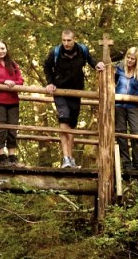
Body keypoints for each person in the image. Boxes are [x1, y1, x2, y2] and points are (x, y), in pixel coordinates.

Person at [42, 29, 103, 168]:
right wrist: (50, 82)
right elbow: (47, 66)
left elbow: (90, 60)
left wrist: (97, 65)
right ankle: (66, 158)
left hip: (76, 91)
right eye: (64, 40)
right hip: (60, 90)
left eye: (69, 40)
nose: (66, 43)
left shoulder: (82, 50)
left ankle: (71, 158)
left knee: (72, 124)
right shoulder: (55, 52)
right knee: (64, 120)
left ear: (74, 39)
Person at [112, 47, 138, 171]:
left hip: (133, 105)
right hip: (118, 105)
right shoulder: (119, 68)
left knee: (136, 133)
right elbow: (111, 80)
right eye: (128, 57)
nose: (129, 60)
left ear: (137, 60)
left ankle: (137, 164)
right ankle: (126, 164)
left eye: (132, 59)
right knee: (121, 134)